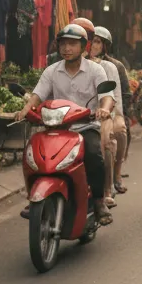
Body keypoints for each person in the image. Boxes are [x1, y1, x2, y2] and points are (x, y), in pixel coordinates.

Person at [18, 24, 117, 221]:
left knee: (94, 155)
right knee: (34, 155)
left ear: (84, 47)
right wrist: (25, 110)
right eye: (63, 44)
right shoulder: (51, 71)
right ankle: (34, 197)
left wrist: (105, 109)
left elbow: (107, 96)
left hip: (85, 127)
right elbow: (37, 95)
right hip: (56, 128)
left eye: (72, 44)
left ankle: (99, 201)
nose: (66, 48)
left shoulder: (96, 70)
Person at [89, 25, 131, 195]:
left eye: (97, 42)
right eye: (91, 41)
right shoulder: (77, 63)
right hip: (86, 112)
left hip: (111, 110)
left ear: (105, 46)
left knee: (119, 130)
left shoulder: (114, 66)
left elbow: (123, 94)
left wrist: (117, 114)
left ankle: (116, 175)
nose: (93, 45)